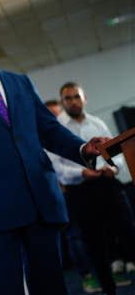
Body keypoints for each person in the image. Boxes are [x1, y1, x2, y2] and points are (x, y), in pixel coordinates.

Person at [0, 7, 106, 295]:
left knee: (52, 286)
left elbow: (49, 129)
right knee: (6, 288)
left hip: (40, 201)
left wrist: (83, 147)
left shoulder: (19, 82)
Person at [58, 82, 135, 295]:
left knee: (129, 232)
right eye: (68, 98)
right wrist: (81, 172)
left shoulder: (97, 123)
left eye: (76, 97)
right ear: (63, 102)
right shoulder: (58, 128)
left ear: (84, 99)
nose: (73, 101)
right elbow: (56, 166)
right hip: (81, 191)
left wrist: (114, 168)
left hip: (108, 184)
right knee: (95, 246)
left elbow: (116, 152)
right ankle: (109, 290)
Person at [44, 99, 102, 293]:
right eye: (50, 115)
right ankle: (86, 276)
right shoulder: (41, 136)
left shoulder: (67, 134)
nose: (55, 119)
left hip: (83, 190)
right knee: (74, 236)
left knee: (92, 233)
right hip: (59, 194)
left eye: (57, 115)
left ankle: (103, 272)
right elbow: (54, 166)